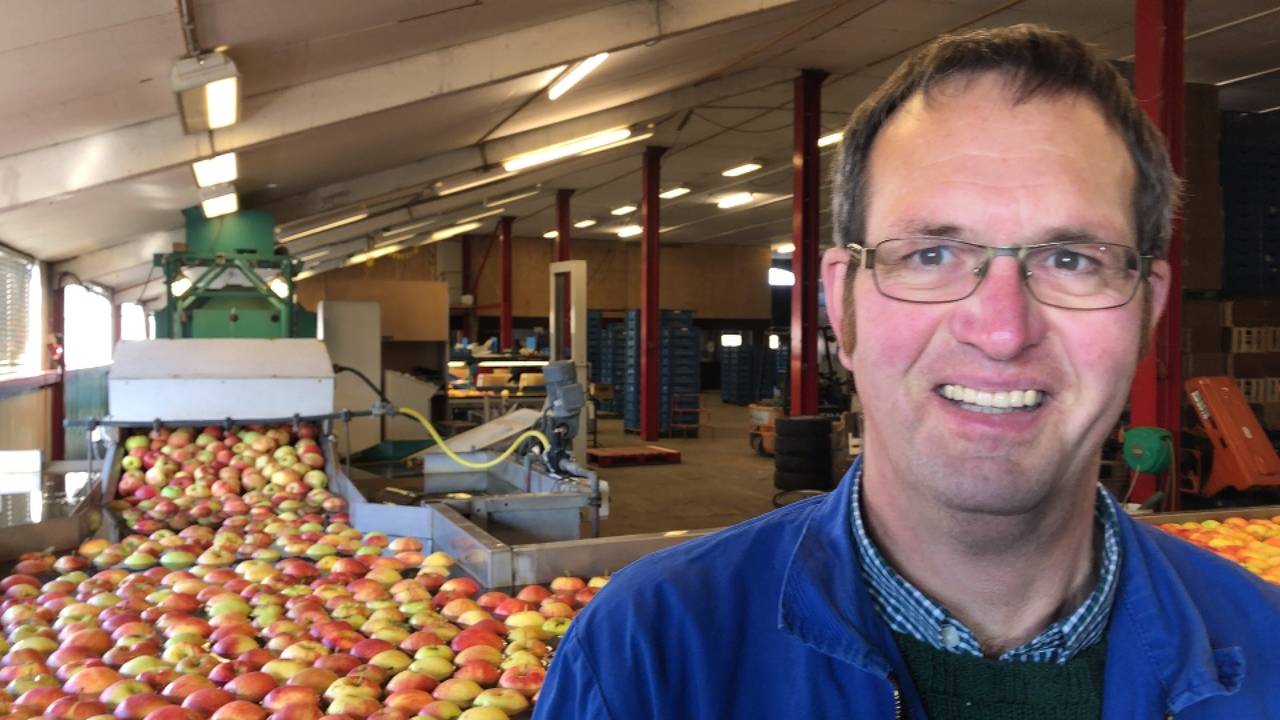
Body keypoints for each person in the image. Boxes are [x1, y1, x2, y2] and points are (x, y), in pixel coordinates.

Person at [533, 24, 1280, 719]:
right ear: (840, 303)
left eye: (1070, 260)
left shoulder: (1268, 654)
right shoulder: (648, 660)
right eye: (931, 255)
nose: (1001, 330)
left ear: (1147, 311)